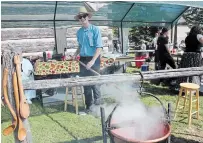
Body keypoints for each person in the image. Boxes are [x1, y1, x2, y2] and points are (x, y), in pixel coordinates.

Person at [73, 7, 103, 113]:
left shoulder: (95, 30)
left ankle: (98, 106)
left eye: (84, 16)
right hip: (83, 59)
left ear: (87, 17)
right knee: (86, 84)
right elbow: (80, 46)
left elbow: (99, 47)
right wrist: (75, 54)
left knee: (95, 83)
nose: (82, 18)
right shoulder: (79, 32)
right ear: (79, 19)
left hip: (93, 59)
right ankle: (89, 106)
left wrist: (93, 61)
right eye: (80, 17)